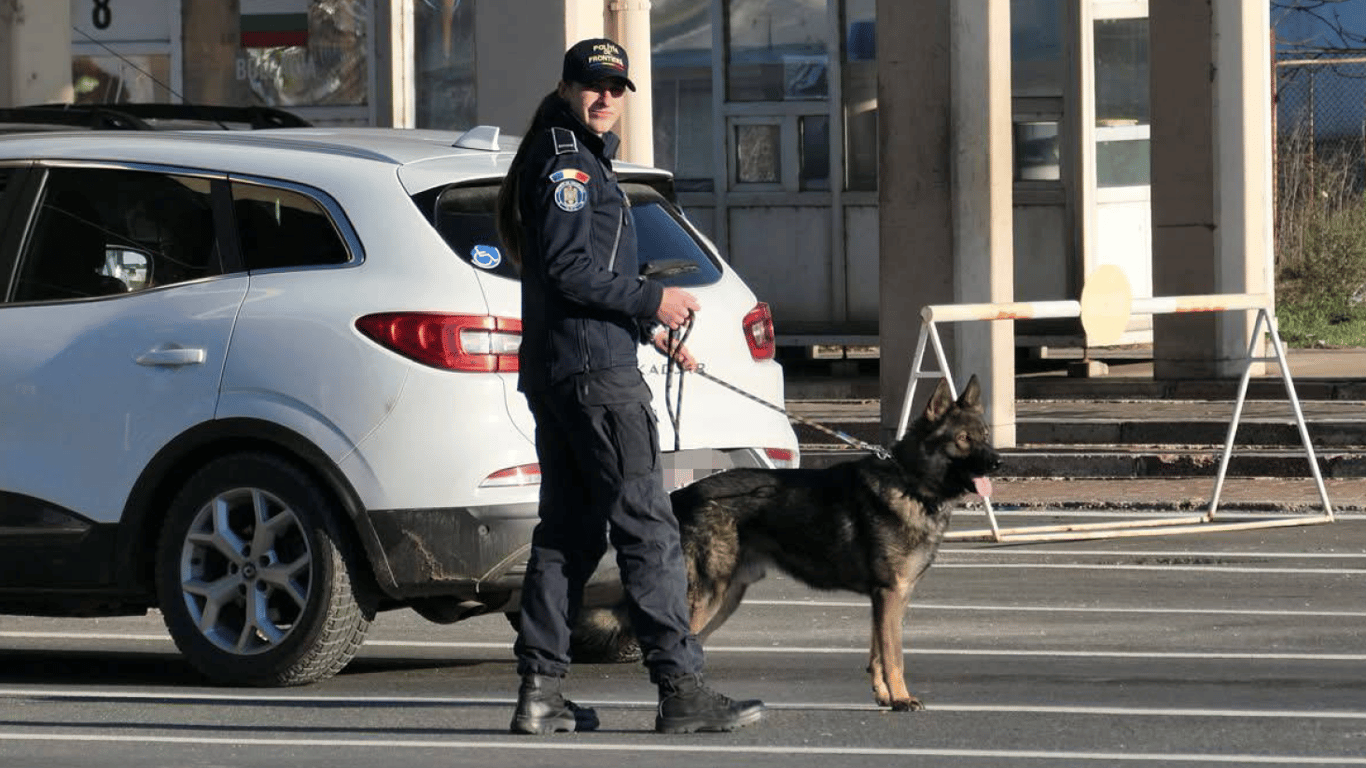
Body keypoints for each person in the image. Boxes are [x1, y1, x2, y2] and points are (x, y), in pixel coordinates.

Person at [495, 37, 764, 735]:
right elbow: (567, 268)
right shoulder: (567, 163)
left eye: (617, 88)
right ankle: (681, 688)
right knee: (648, 530)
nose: (606, 98)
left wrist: (645, 328)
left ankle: (540, 692)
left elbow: (574, 282)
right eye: (593, 85)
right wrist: (653, 302)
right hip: (593, 379)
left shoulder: (571, 152)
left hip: (570, 368)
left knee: (567, 536)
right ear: (565, 86)